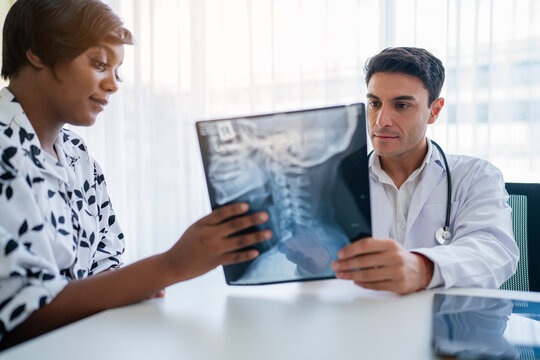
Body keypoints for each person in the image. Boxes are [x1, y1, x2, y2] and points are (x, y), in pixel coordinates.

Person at [0, 0, 271, 349]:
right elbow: (19, 318)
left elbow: (106, 268)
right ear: (37, 53)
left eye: (118, 71)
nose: (113, 85)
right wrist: (172, 264)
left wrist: (142, 283)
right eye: (99, 64)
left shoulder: (78, 157)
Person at [331, 47, 519, 295]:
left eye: (401, 105)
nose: (380, 121)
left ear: (435, 110)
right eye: (374, 103)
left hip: (447, 324)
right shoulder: (339, 183)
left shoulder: (475, 176)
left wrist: (424, 269)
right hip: (365, 320)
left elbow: (495, 251)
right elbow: (322, 259)